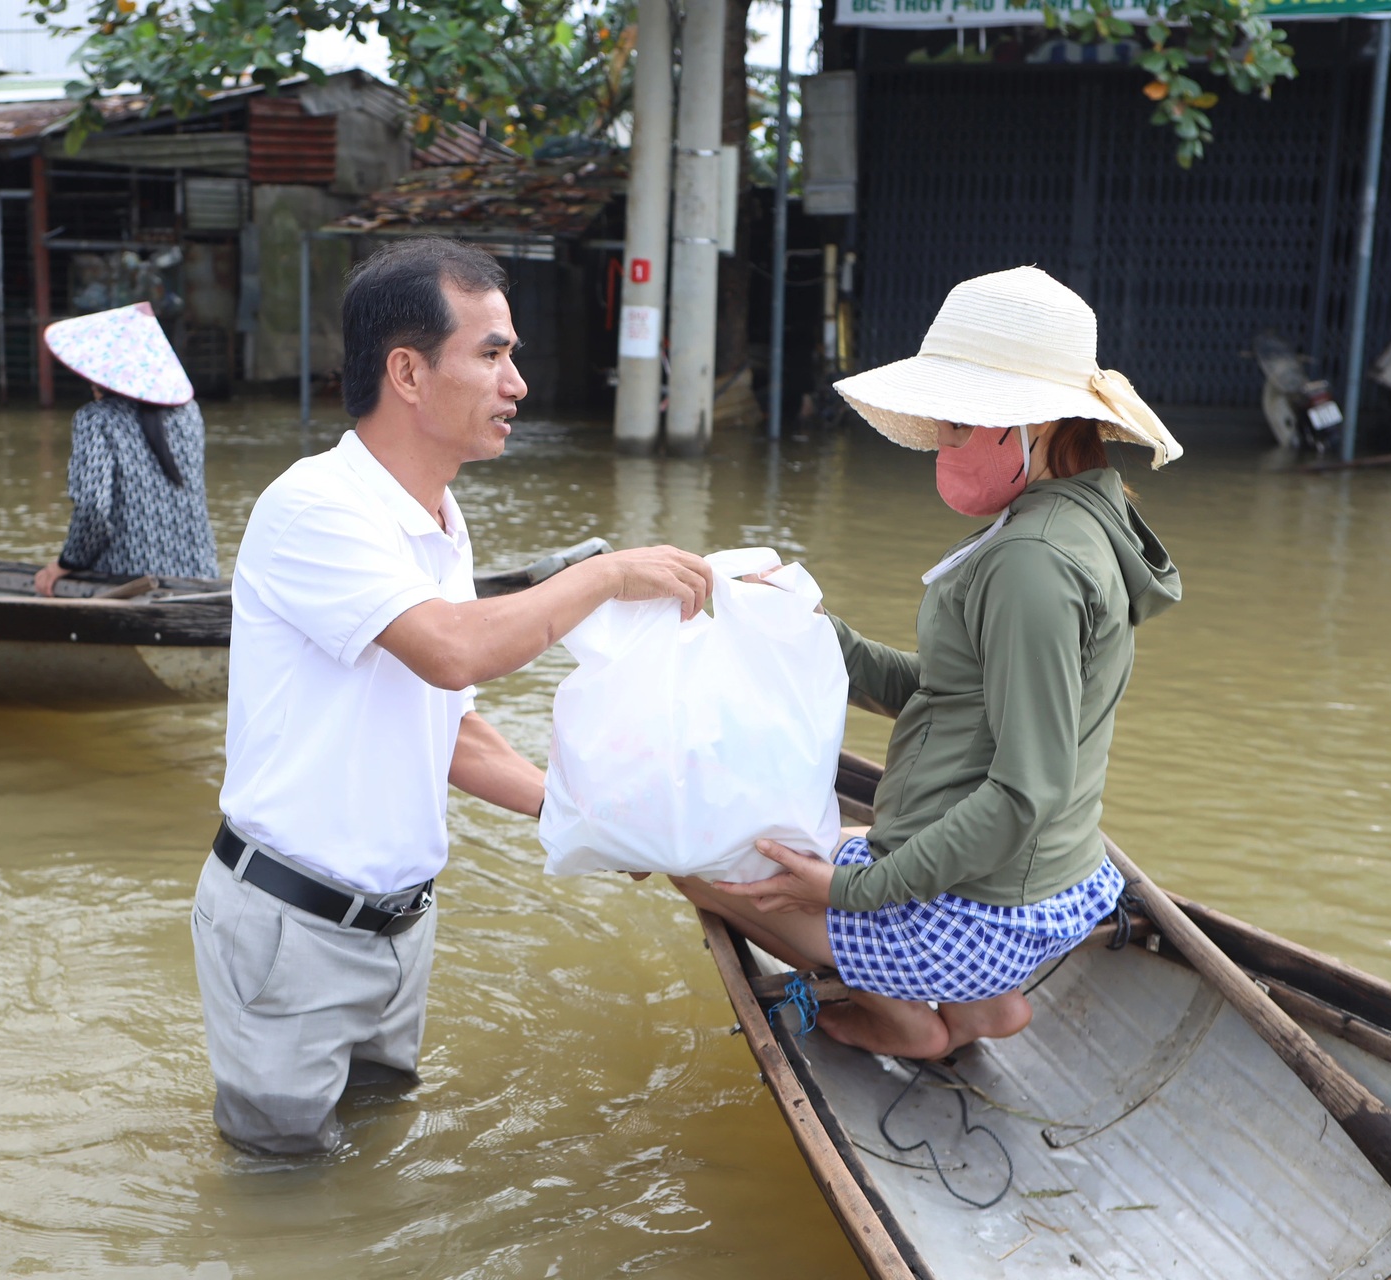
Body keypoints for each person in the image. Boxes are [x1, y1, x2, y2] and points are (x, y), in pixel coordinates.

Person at [195, 237, 713, 1155]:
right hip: (293, 928)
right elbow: (450, 651)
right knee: (279, 1193)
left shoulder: (437, 518)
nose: (517, 383)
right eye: (493, 353)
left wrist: (590, 822)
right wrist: (605, 575)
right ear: (407, 370)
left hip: (397, 924)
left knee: (374, 1160)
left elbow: (452, 728)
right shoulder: (316, 507)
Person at [674, 266, 1184, 1061]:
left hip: (989, 912)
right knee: (814, 841)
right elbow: (951, 693)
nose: (941, 442)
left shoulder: (1033, 564)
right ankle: (985, 1006)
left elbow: (1024, 792)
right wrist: (813, 634)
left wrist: (850, 890)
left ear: (1034, 425)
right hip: (1049, 879)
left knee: (698, 860)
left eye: (956, 425)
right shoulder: (1080, 515)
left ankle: (915, 1020)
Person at [33, 301, 221, 596]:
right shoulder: (189, 412)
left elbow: (93, 508)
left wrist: (66, 562)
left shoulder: (96, 419)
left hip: (130, 582)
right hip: (201, 575)